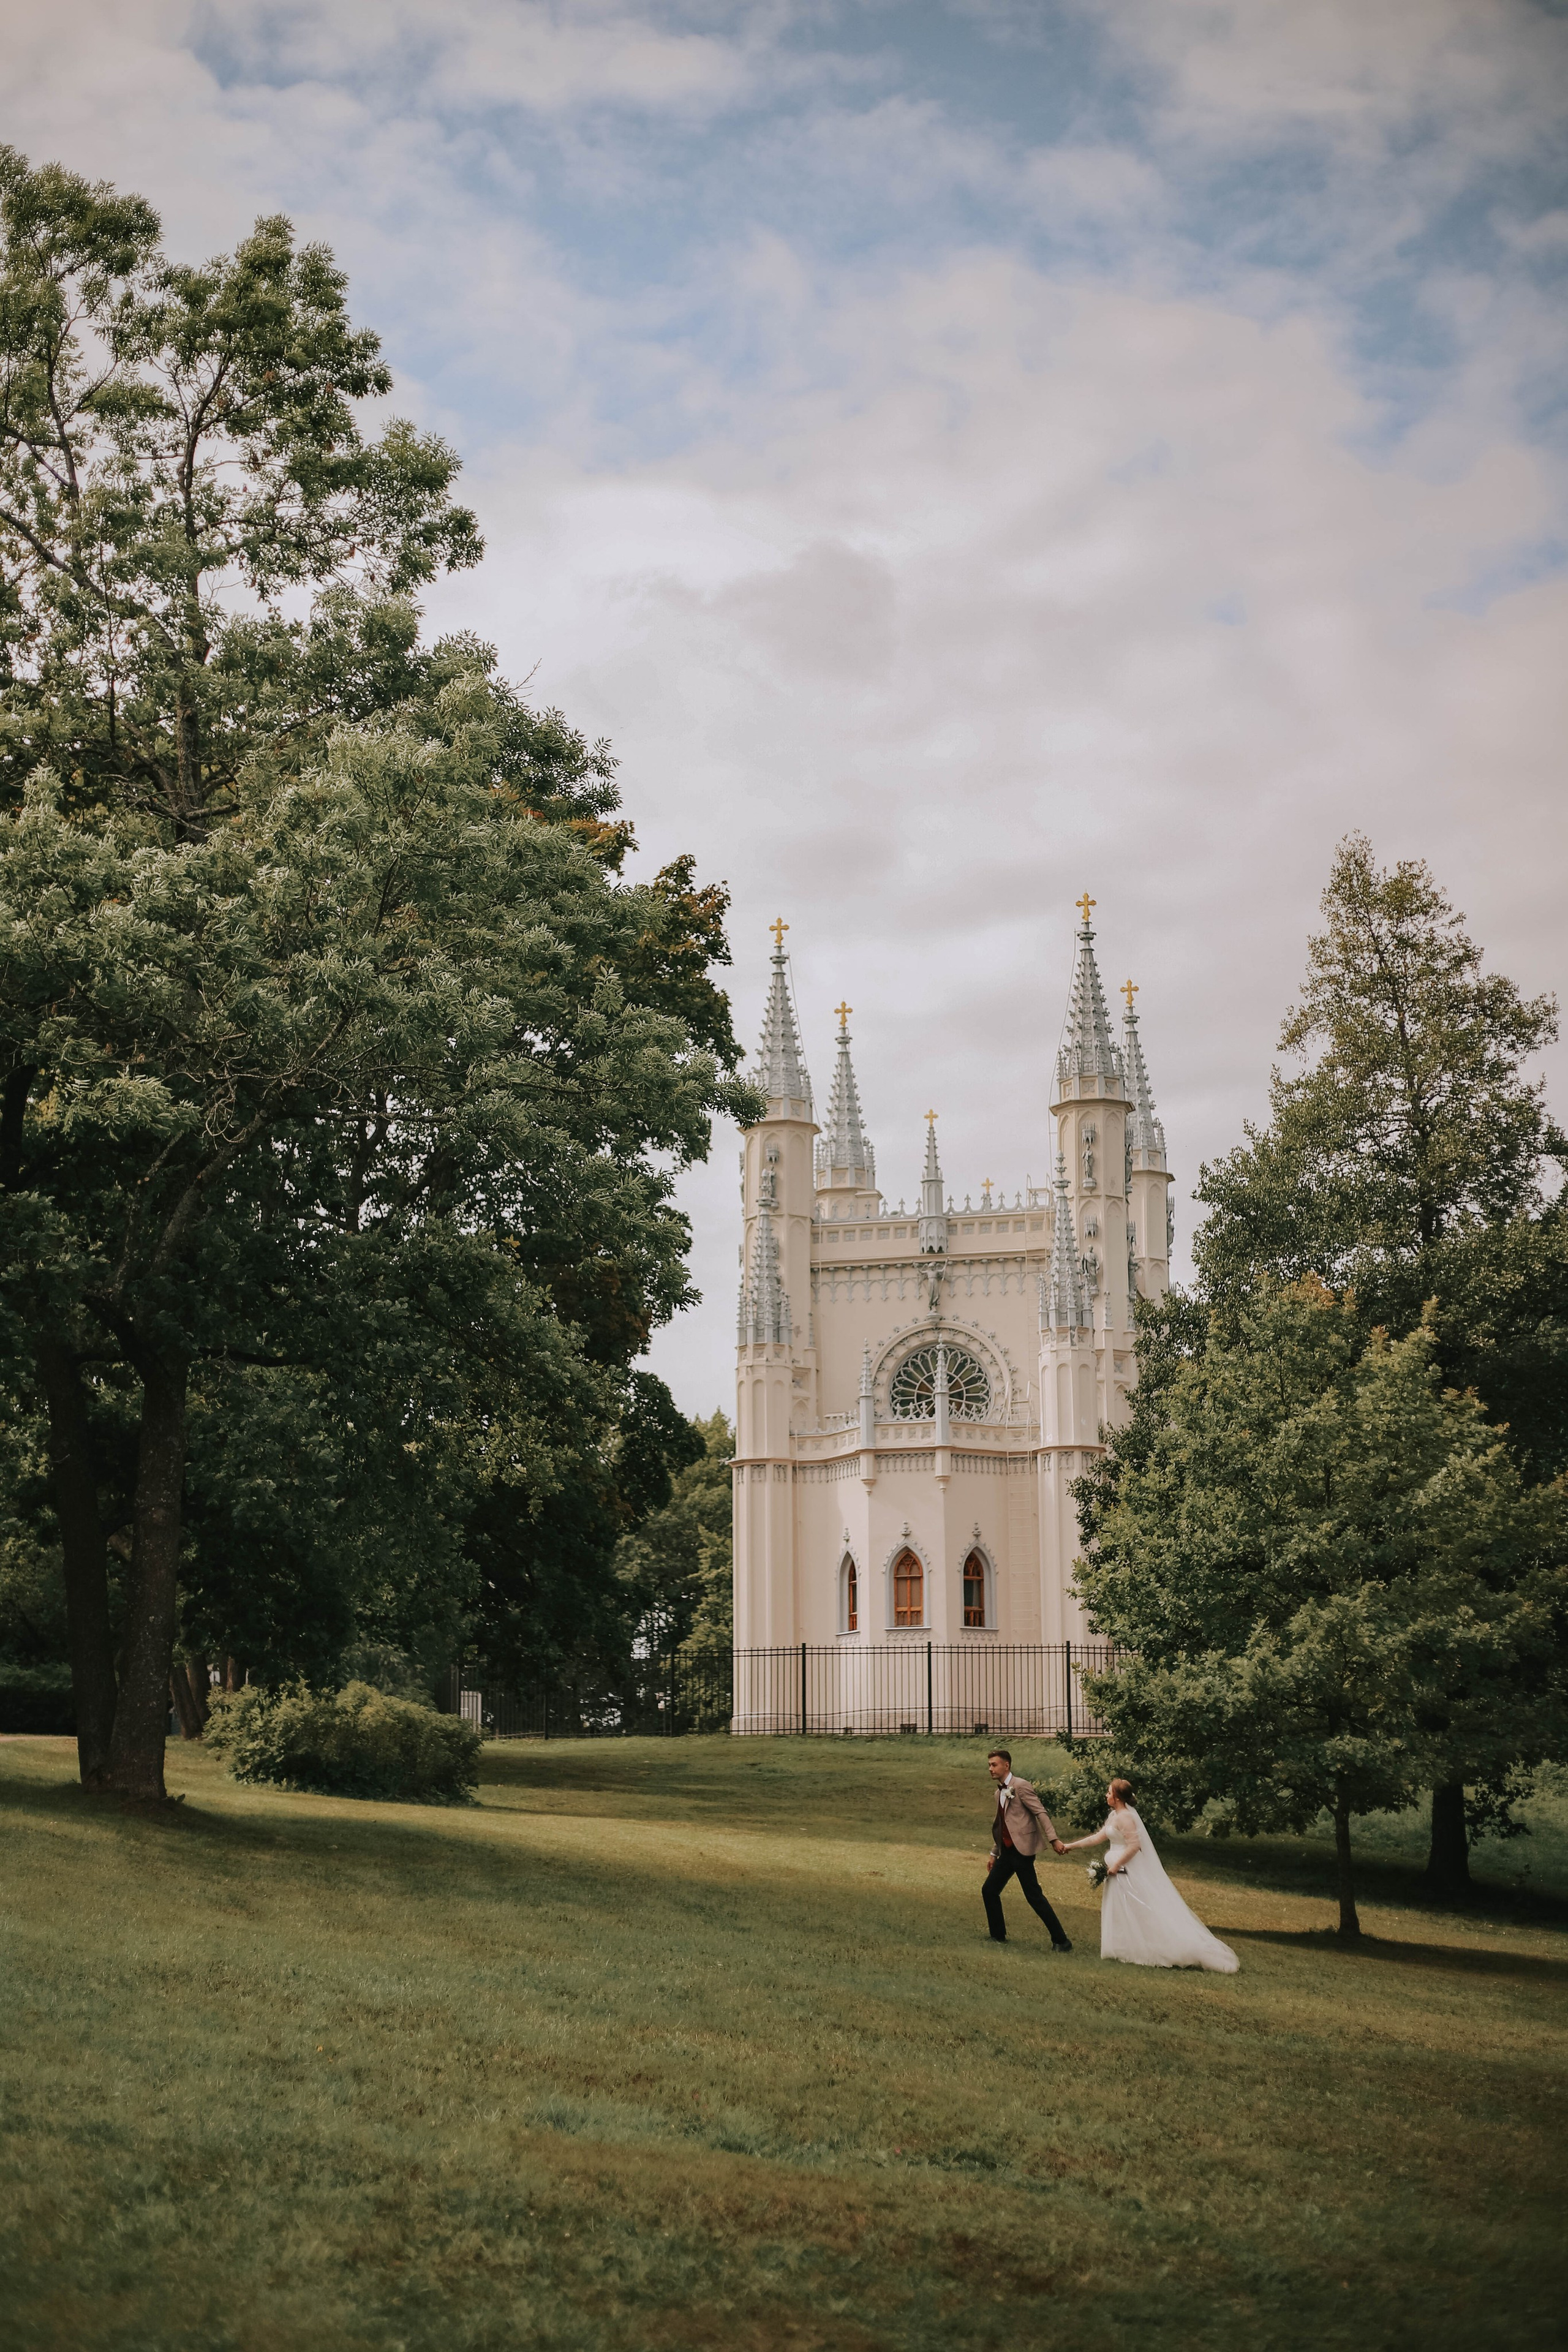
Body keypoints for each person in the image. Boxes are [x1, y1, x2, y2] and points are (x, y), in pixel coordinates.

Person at [1061, 1778, 1239, 1973]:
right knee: (1122, 1910)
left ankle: (1161, 1947)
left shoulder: (1126, 1818)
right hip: (1117, 1873)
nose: (1107, 1795)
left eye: (1109, 1792)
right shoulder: (1114, 1816)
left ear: (1118, 1797)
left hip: (1127, 1871)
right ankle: (1124, 1948)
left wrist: (1117, 1865)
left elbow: (1134, 1846)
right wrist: (1070, 1846)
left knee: (1140, 1909)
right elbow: (1098, 1837)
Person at [981, 1748, 1072, 1951]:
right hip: (1007, 1852)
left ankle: (1061, 1941)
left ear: (1006, 1765)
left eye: (994, 1765)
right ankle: (998, 1936)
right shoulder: (999, 1793)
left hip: (1023, 1851)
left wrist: (1054, 1839)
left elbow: (1041, 1813)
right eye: (989, 1765)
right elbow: (1004, 1825)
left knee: (1033, 1896)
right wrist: (994, 1853)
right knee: (989, 1890)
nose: (990, 1769)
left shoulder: (1021, 1786)